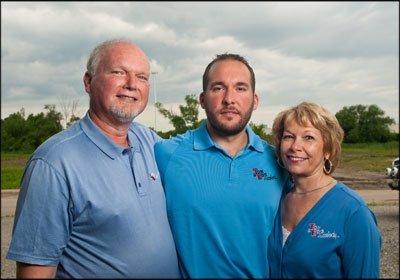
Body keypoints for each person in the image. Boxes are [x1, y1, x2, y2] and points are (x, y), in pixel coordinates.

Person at [6, 39, 180, 278]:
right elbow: (35, 272)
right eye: (119, 72)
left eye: (142, 77)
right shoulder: (53, 163)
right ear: (88, 81)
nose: (131, 84)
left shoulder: (150, 141)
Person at [154, 53, 289, 278]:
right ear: (202, 99)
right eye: (218, 88)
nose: (229, 99)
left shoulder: (278, 162)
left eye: (240, 88)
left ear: (255, 100)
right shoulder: (166, 154)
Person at [268, 101, 381, 278]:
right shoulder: (275, 199)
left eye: (309, 137)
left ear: (327, 149)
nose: (295, 146)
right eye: (288, 136)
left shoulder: (354, 212)